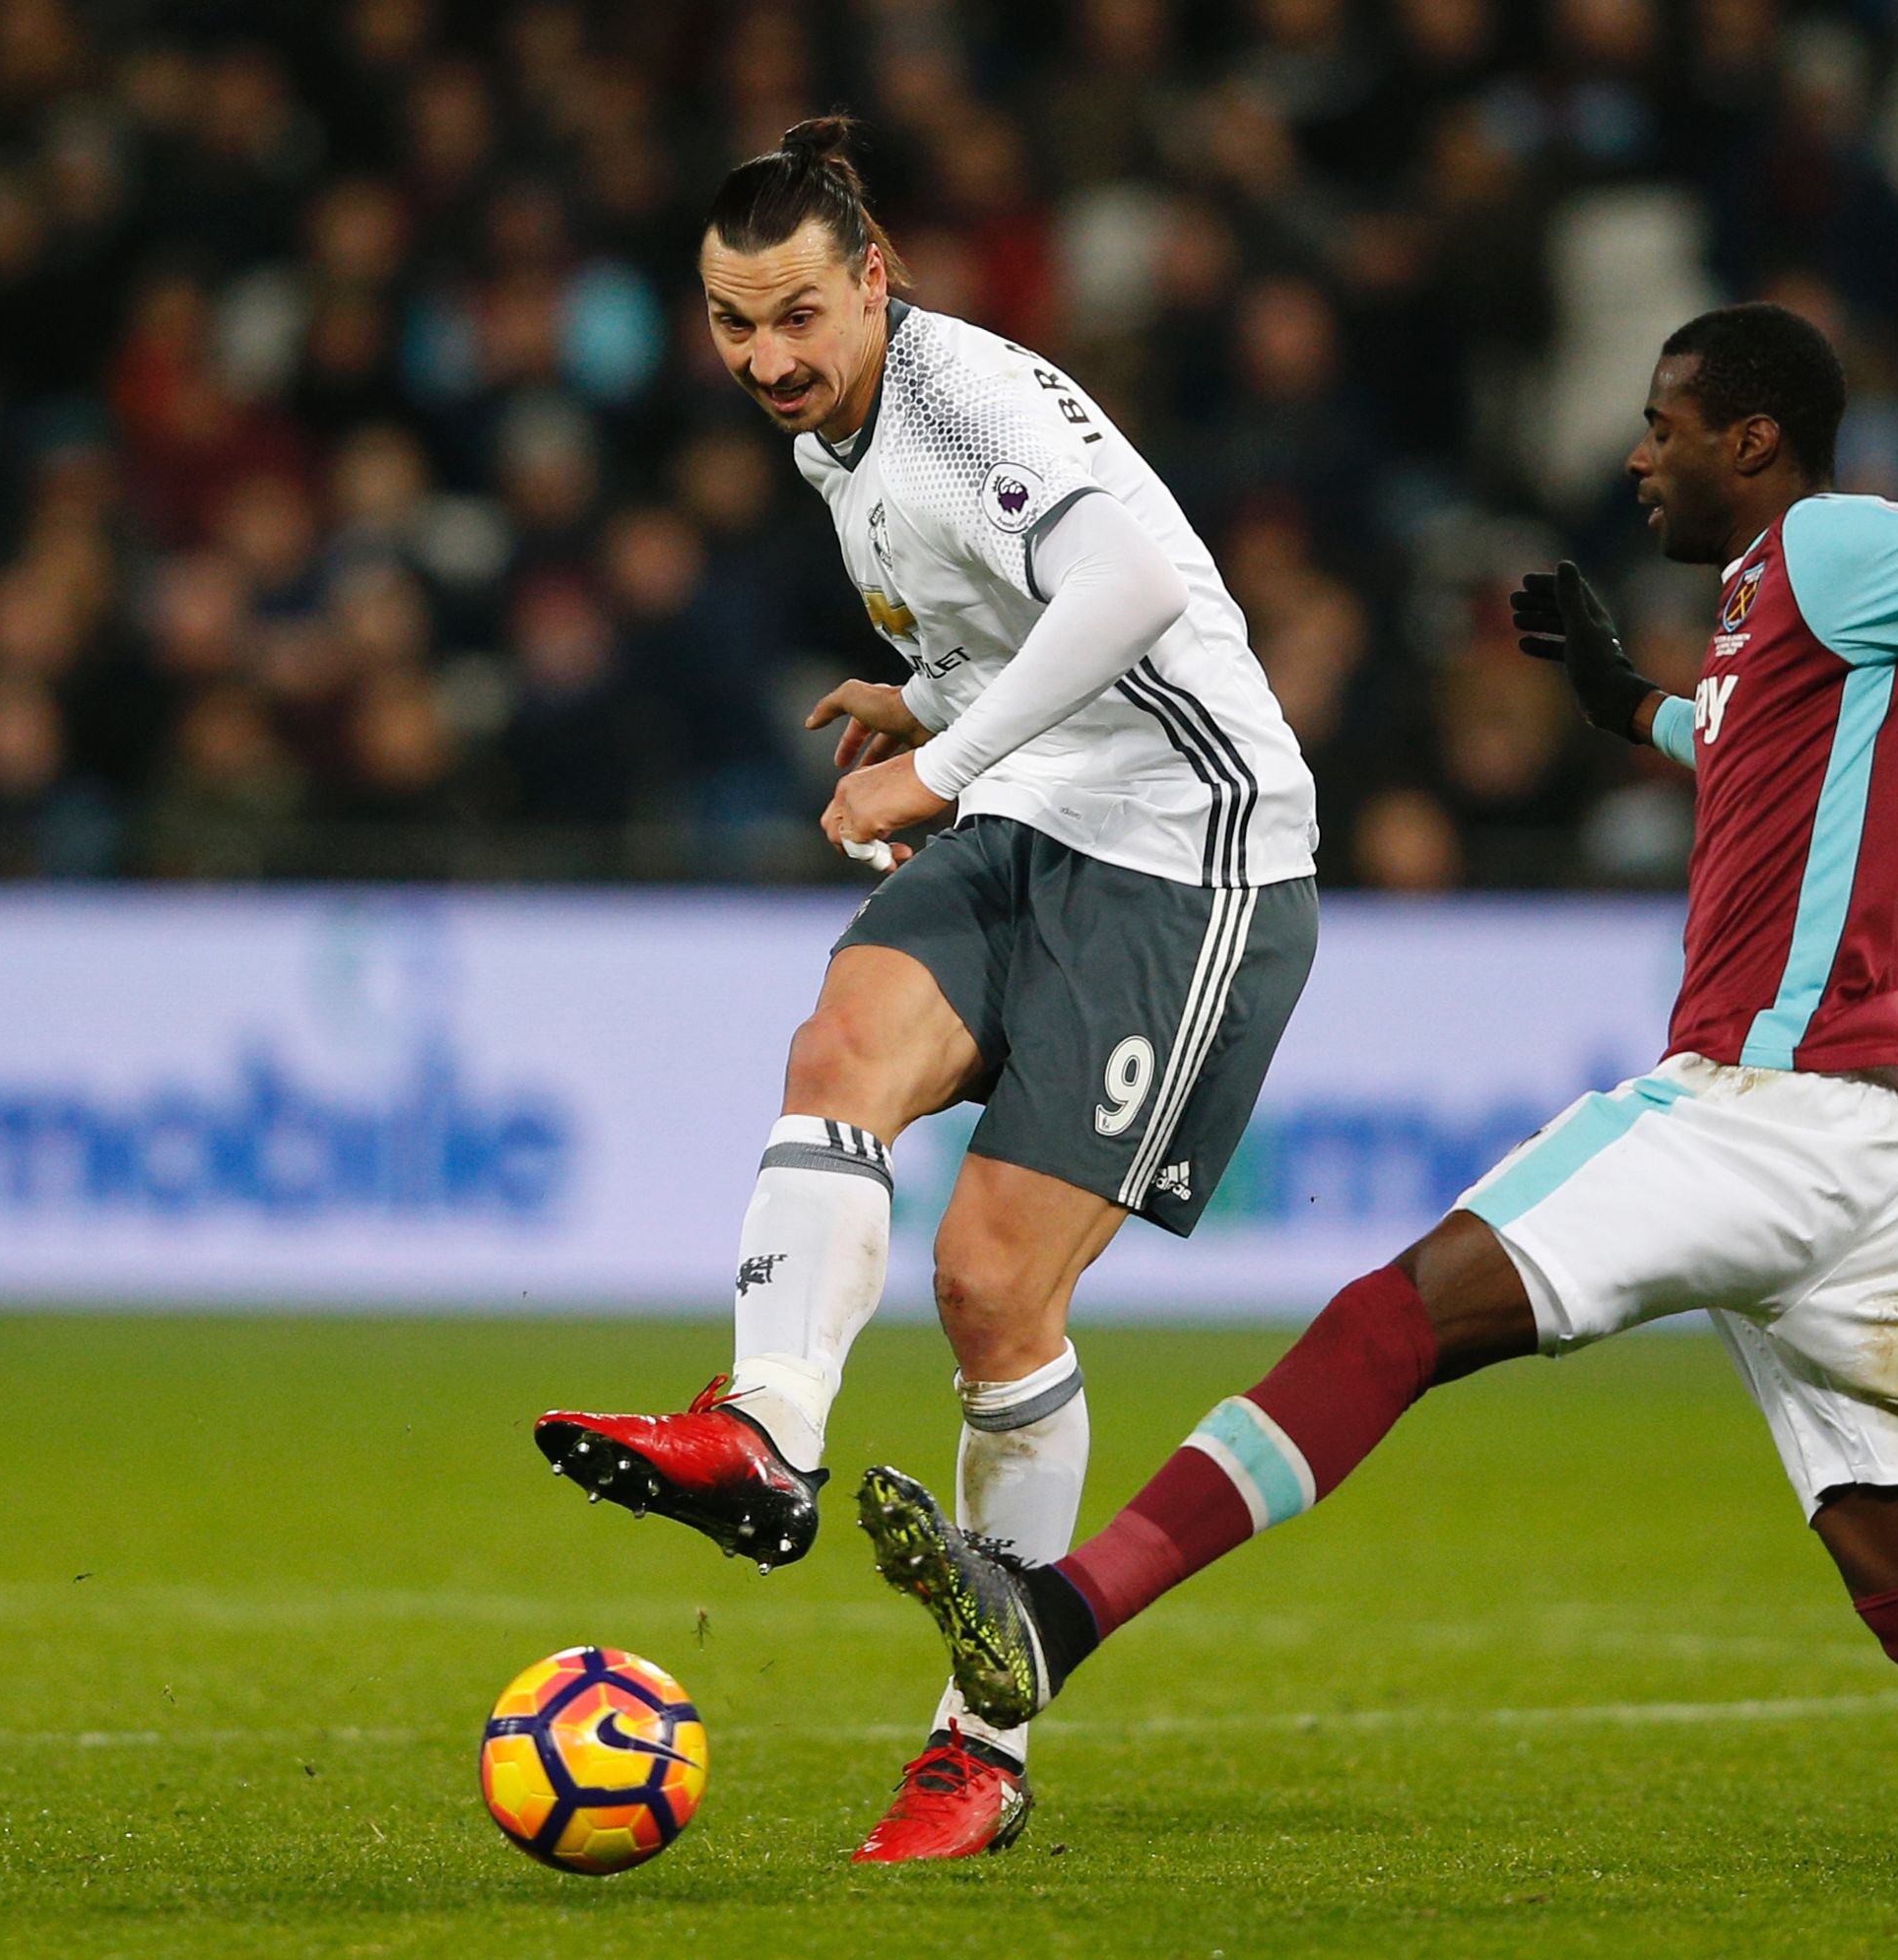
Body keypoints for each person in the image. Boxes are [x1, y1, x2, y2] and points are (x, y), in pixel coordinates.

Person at [850, 302, 1898, 1895]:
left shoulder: (1834, 541)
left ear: (1755, 437)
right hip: (1876, 1146)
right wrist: (1625, 708)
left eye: (1663, 427)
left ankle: (1060, 1612)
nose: (1633, 453)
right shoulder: (1790, 609)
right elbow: (1753, 754)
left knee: (1396, 1314)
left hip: (1768, 1096)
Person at [529, 118, 1321, 1863]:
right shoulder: (843, 426)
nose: (766, 359)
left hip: (1190, 863)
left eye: (797, 315)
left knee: (986, 1294)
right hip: (1037, 811)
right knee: (837, 1051)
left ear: (877, 279)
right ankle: (765, 1435)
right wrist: (925, 683)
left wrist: (943, 757)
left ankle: (984, 1745)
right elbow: (1008, 594)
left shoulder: (966, 396)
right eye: (733, 327)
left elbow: (1124, 583)